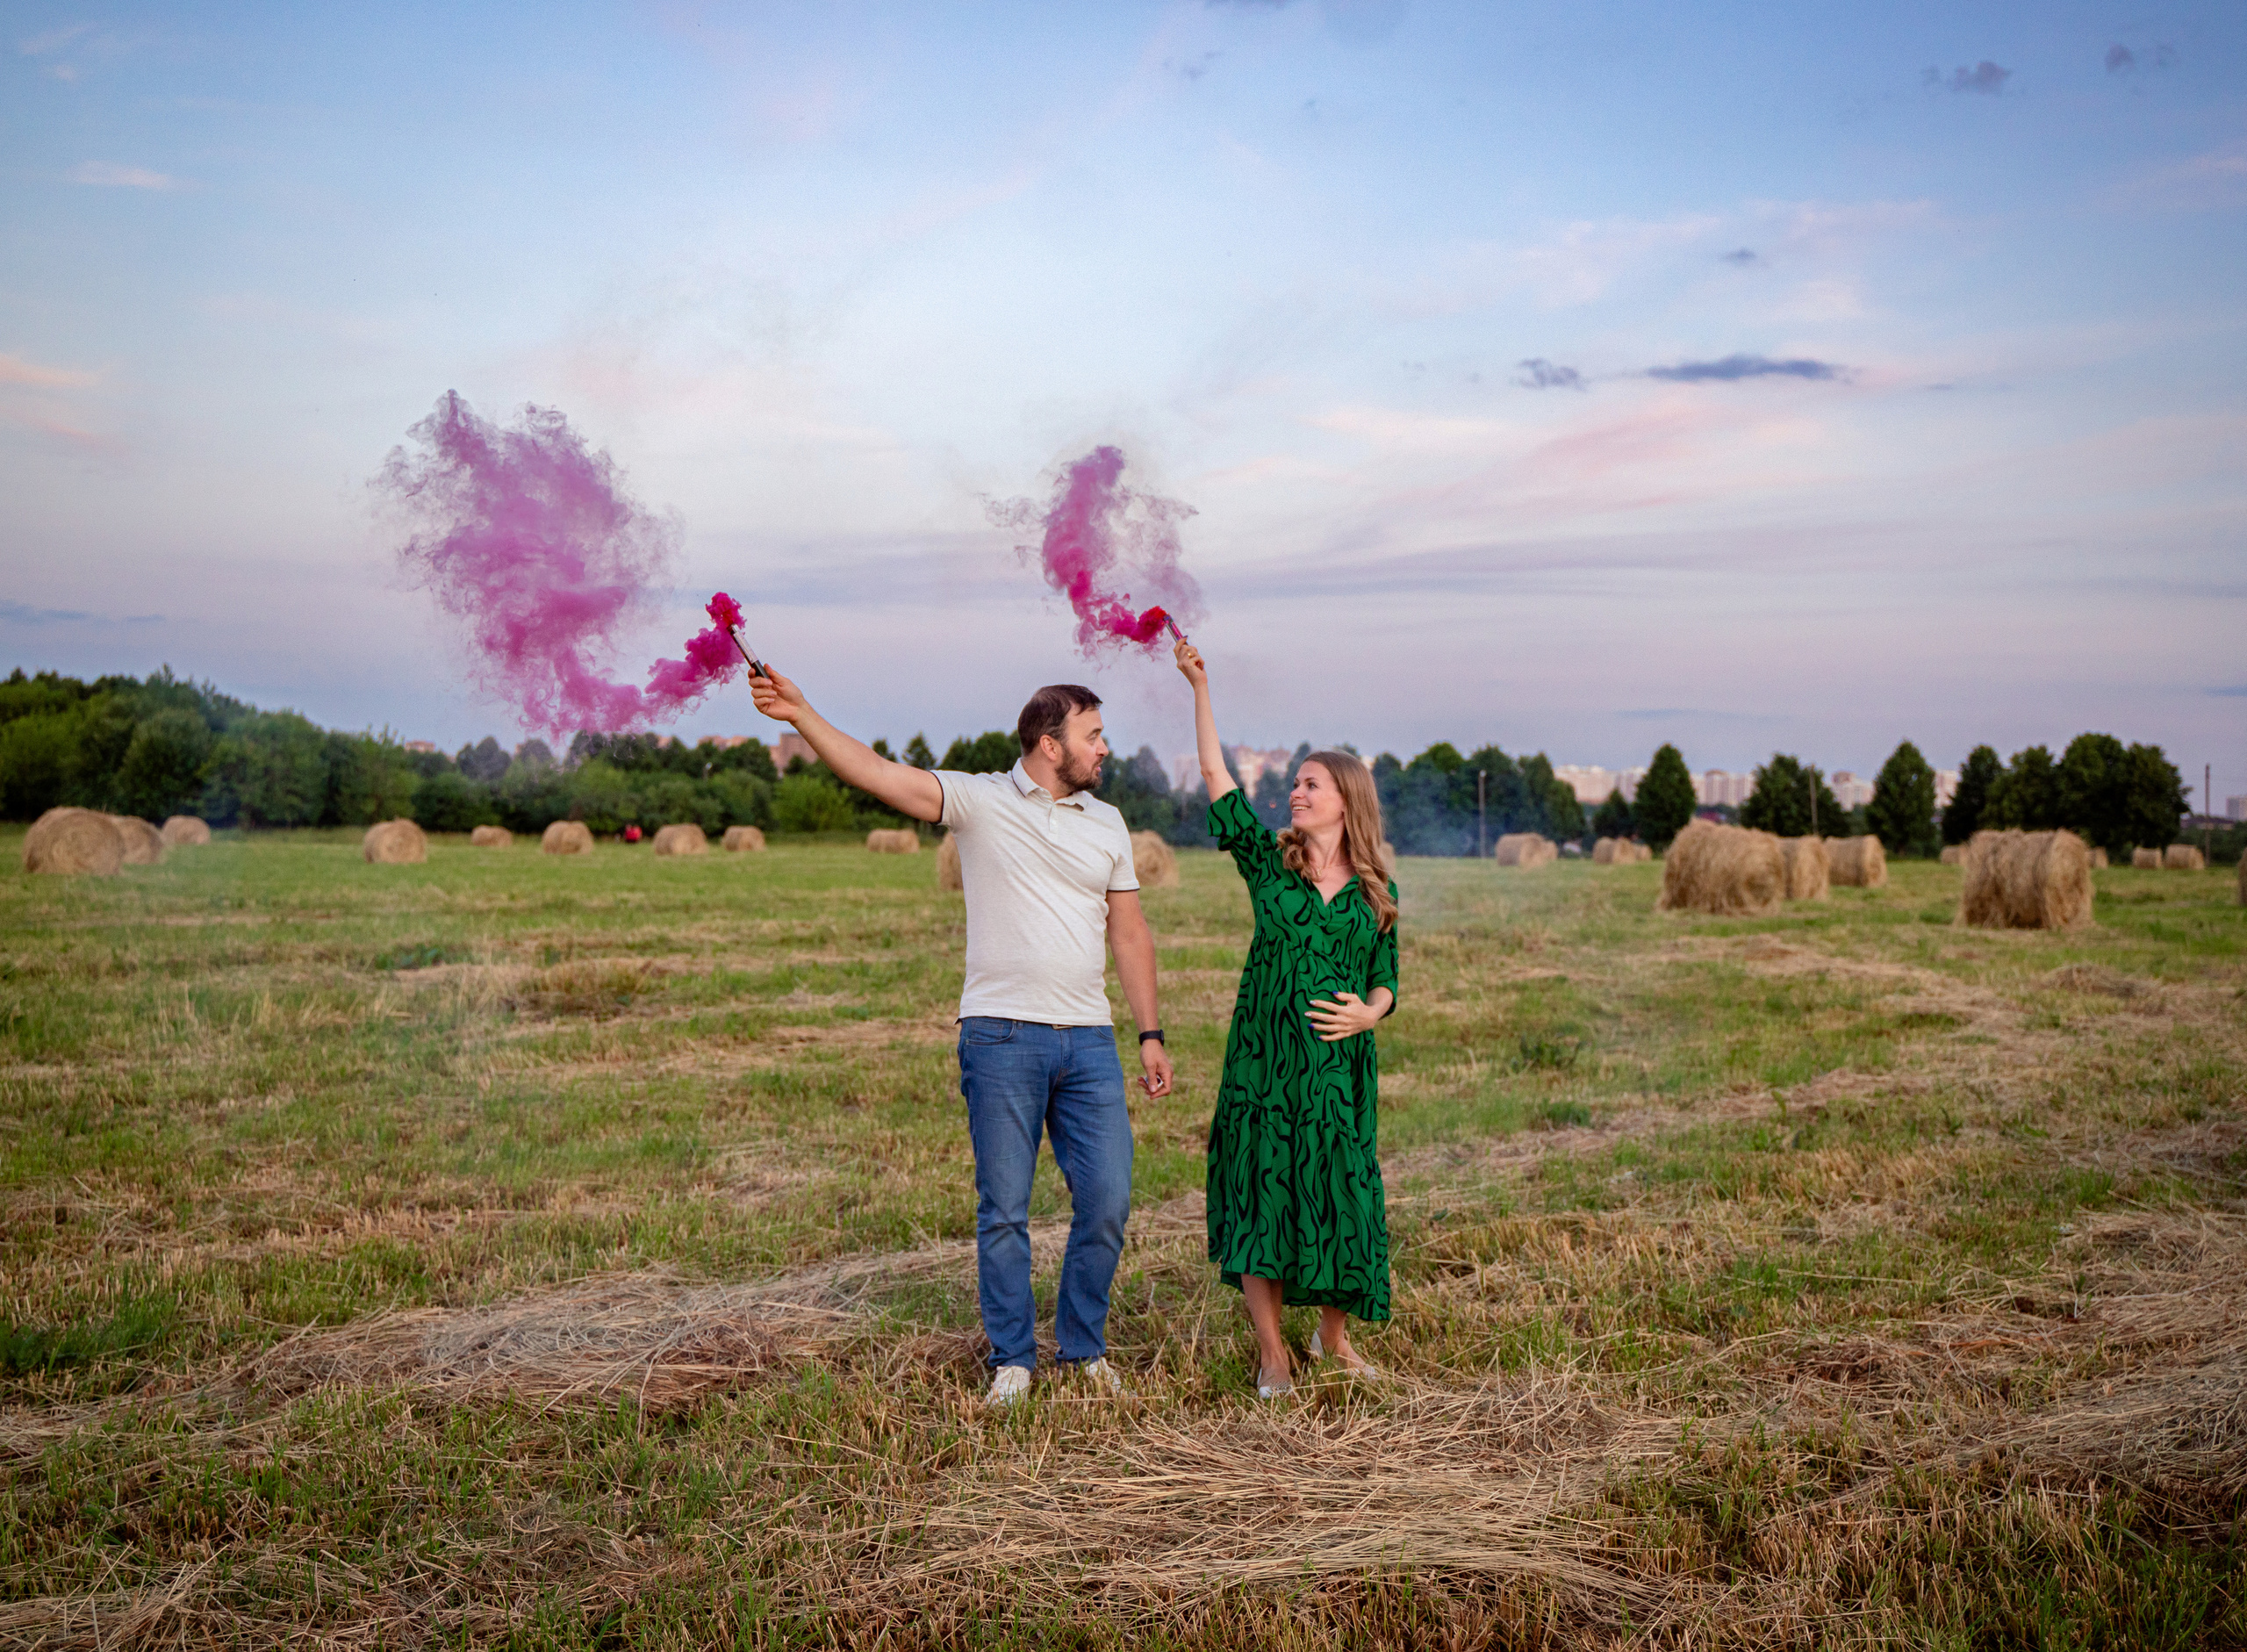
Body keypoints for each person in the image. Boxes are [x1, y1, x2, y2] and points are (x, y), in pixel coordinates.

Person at [749, 665, 1172, 1407]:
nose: (1105, 748)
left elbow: (1130, 935)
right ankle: (1013, 1358)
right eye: (1093, 735)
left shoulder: (1107, 822)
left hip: (1089, 1039)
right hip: (1002, 1037)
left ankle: (1083, 1348)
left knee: (1106, 1200)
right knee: (1004, 1208)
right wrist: (802, 714)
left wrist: (1150, 1032)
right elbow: (879, 775)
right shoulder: (979, 800)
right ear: (1049, 744)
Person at [1175, 637, 1396, 1398]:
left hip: (1338, 1074)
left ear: (1346, 798)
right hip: (1265, 1068)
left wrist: (1371, 1016)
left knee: (1345, 1198)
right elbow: (1216, 778)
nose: (1295, 792)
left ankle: (1331, 1337)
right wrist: (1200, 688)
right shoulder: (1271, 864)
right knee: (1264, 1197)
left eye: (1310, 784)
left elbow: (1385, 979)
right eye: (1295, 783)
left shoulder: (1375, 889)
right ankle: (1272, 1354)